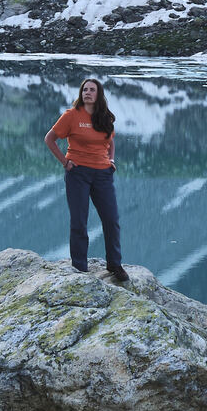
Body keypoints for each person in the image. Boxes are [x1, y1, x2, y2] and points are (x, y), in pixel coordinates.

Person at [45, 77, 126, 283]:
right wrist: (65, 162)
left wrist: (111, 159)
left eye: (91, 90)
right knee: (79, 222)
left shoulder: (104, 117)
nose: (87, 93)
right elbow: (50, 139)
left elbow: (110, 141)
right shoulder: (72, 116)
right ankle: (80, 267)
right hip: (78, 173)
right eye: (84, 90)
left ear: (98, 95)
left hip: (103, 174)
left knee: (112, 220)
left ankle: (114, 264)